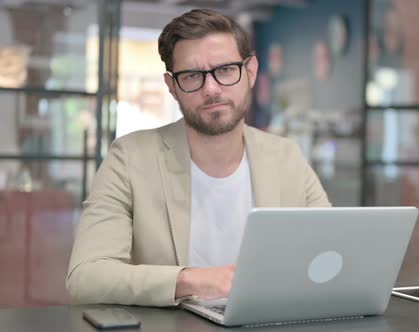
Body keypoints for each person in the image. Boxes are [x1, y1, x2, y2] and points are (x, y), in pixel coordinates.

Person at [66, 9, 330, 307]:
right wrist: (190, 280)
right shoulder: (130, 158)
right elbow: (86, 275)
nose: (212, 89)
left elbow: (333, 253)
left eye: (226, 69)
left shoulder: (285, 156)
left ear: (251, 71)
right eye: (192, 76)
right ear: (172, 87)